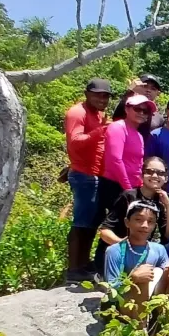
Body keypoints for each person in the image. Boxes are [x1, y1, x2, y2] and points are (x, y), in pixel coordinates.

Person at [95, 156, 169, 275]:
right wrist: (125, 247)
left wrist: (168, 206)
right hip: (117, 256)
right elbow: (104, 231)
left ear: (166, 178)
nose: (155, 176)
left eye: (160, 173)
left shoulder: (161, 202)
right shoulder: (128, 196)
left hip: (140, 256)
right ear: (141, 175)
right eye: (149, 172)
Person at [64, 78, 111, 283]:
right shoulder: (77, 112)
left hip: (95, 174)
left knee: (91, 221)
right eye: (98, 94)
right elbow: (75, 141)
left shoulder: (99, 114)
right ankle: (74, 268)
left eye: (106, 96)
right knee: (82, 222)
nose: (102, 99)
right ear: (87, 93)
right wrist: (100, 131)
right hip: (84, 174)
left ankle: (83, 264)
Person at [103, 201, 169, 316]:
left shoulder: (158, 249)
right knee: (144, 274)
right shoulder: (114, 251)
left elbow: (166, 278)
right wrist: (133, 279)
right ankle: (139, 327)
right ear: (127, 222)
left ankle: (166, 321)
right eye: (138, 220)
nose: (145, 225)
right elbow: (111, 292)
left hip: (151, 300)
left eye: (150, 222)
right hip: (124, 306)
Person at [101, 95, 157, 211]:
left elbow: (138, 163)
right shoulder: (118, 128)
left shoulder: (139, 135)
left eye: (145, 111)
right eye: (137, 109)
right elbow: (115, 160)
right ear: (127, 109)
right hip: (116, 185)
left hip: (132, 187)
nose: (141, 113)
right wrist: (127, 188)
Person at [111, 74, 164, 140]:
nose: (148, 90)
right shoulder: (129, 107)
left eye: (153, 89)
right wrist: (131, 91)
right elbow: (116, 117)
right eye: (145, 86)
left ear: (158, 93)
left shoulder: (159, 118)